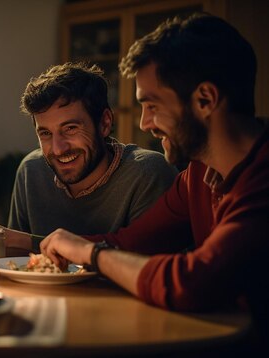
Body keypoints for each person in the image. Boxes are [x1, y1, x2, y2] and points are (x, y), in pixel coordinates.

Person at [40, 13, 269, 347]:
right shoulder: (198, 173)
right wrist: (41, 245)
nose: (144, 123)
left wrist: (92, 253)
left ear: (205, 99)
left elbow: (193, 282)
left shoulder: (262, 177)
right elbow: (130, 243)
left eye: (151, 105)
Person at [0, 62, 177, 254]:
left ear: (104, 123)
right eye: (45, 133)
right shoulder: (31, 171)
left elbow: (144, 267)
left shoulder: (147, 174)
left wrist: (27, 241)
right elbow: (18, 263)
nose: (58, 149)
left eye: (70, 129)